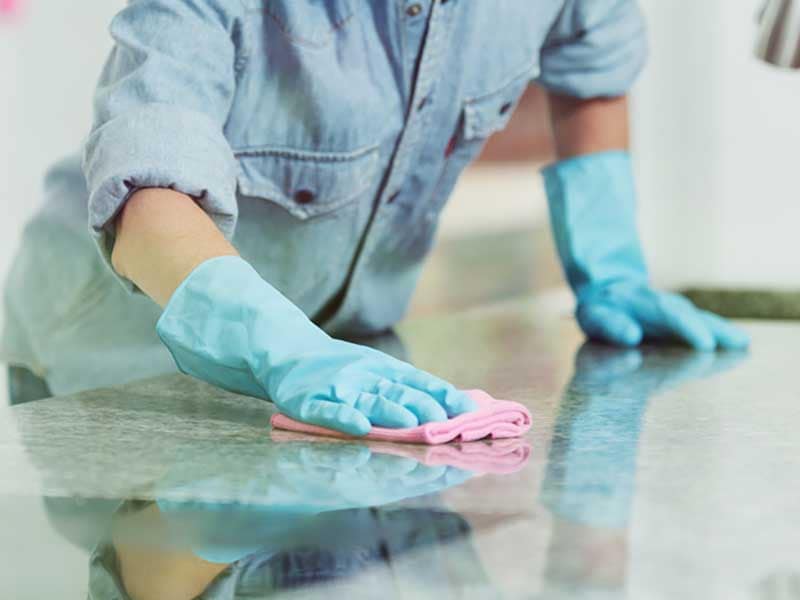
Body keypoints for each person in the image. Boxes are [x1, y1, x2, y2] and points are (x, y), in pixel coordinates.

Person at [1, 1, 749, 433]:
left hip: (340, 352)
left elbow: (592, 62)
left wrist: (609, 265)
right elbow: (148, 187)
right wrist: (275, 345)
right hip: (104, 361)